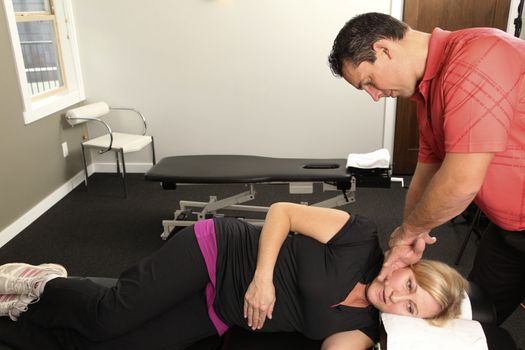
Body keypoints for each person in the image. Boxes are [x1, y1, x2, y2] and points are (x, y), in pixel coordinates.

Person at [0, 203, 467, 350]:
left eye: (409, 307)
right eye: (410, 286)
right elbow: (281, 213)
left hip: (218, 311)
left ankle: (27, 309)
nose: (395, 296)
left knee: (120, 347)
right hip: (217, 253)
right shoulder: (358, 239)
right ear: (409, 265)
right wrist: (263, 278)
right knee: (109, 318)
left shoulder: (363, 331)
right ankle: (40, 281)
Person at [328, 12, 525, 325]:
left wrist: (409, 232)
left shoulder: (476, 59)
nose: (375, 96)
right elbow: (426, 173)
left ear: (383, 50)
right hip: (508, 231)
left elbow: (461, 182)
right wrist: (409, 239)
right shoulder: (427, 94)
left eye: (368, 82)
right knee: (474, 318)